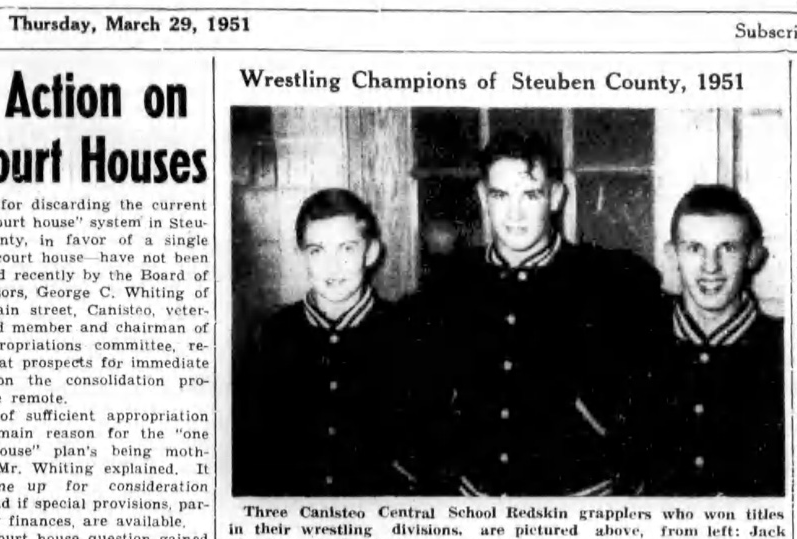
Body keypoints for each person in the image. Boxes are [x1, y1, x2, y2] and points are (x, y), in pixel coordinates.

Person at [406, 131, 661, 496]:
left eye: (530, 195)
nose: (514, 214)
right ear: (482, 197)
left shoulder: (611, 283)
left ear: (556, 196)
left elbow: (647, 416)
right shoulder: (447, 286)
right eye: (500, 195)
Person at [233, 188, 410, 496]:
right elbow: (250, 449)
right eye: (317, 250)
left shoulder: (404, 334)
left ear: (370, 253)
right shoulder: (272, 335)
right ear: (302, 255)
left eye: (346, 249)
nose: (332, 266)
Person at [635, 184, 784, 496]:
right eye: (694, 248)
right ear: (672, 254)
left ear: (753, 255)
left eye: (727, 248)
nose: (711, 266)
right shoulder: (638, 346)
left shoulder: (784, 351)